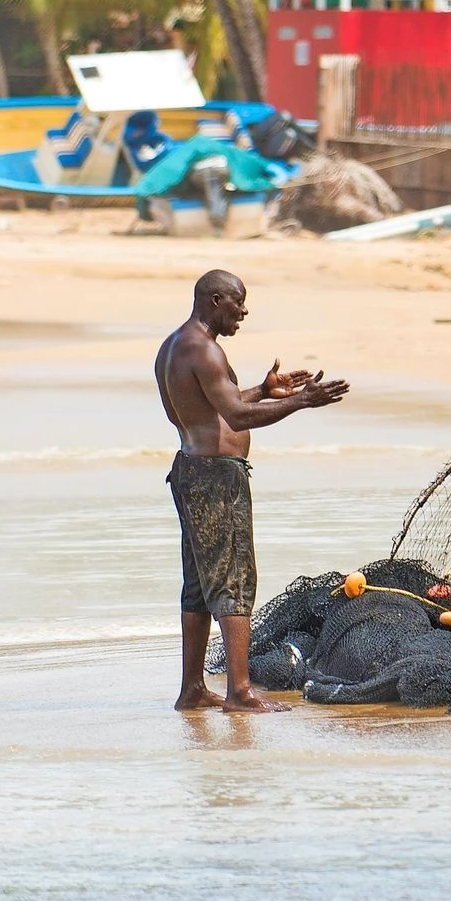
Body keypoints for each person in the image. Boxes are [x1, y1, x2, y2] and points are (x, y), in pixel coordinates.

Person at [156, 270, 350, 712]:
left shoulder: (175, 345)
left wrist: (264, 391)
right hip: (215, 478)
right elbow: (236, 417)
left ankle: (192, 689)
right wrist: (303, 401)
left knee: (198, 585)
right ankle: (239, 692)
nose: (243, 312)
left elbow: (210, 406)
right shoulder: (204, 349)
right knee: (234, 581)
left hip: (190, 471)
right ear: (215, 300)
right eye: (238, 302)